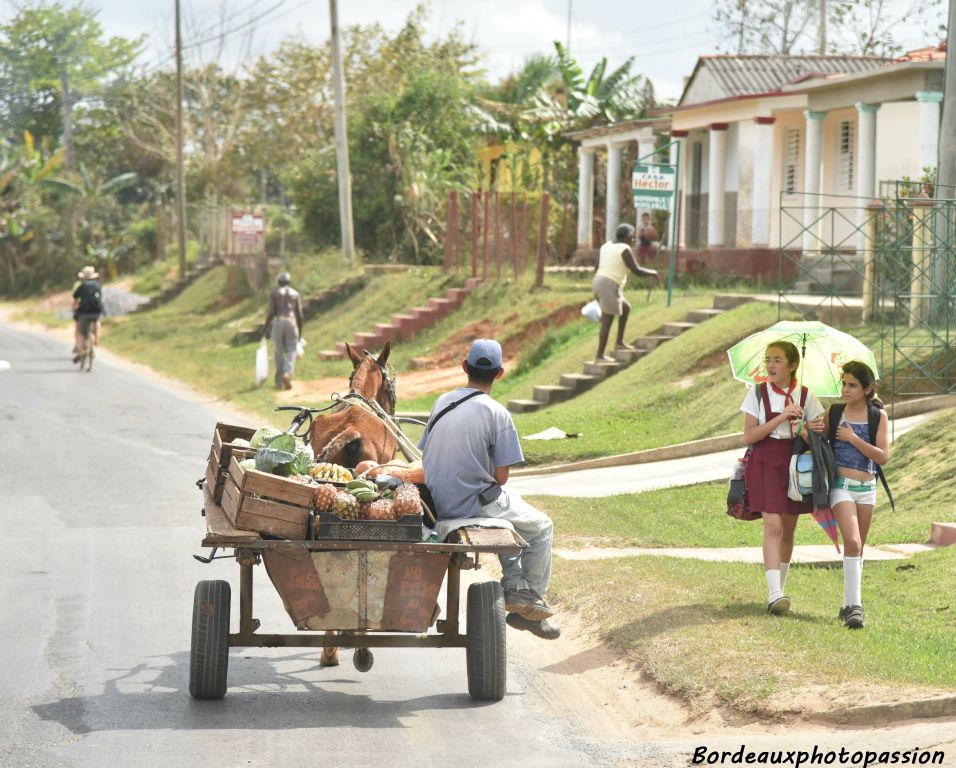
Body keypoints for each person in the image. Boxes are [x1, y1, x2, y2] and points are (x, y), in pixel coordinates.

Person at [418, 338, 560, 640]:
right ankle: (529, 599)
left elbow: (426, 454)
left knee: (508, 519)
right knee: (542, 526)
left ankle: (515, 585)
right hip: (472, 505)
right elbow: (502, 476)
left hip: (436, 502)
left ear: (464, 367)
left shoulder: (441, 402)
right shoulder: (497, 413)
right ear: (499, 374)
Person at [741, 341, 825, 615]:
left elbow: (820, 435)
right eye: (768, 360)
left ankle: (780, 592)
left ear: (791, 365)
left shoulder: (806, 396)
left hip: (796, 464)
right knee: (773, 525)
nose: (770, 365)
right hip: (766, 461)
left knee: (789, 527)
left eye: (777, 360)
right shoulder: (756, 393)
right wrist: (781, 417)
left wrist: (804, 430)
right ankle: (773, 593)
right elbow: (750, 436)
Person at [825, 361, 889, 630]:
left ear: (867, 388)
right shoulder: (835, 412)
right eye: (844, 384)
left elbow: (882, 457)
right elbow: (817, 440)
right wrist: (805, 428)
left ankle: (846, 604)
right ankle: (856, 608)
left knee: (858, 548)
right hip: (841, 486)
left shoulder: (878, 416)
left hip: (867, 490)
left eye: (852, 385)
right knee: (852, 543)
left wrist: (852, 438)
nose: (846, 390)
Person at [591, 223, 660, 363]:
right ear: (629, 237)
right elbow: (636, 270)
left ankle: (619, 343)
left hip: (598, 281)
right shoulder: (625, 248)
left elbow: (597, 267)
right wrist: (653, 273)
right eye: (633, 237)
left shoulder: (606, 246)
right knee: (607, 320)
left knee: (626, 307)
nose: (634, 240)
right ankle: (599, 356)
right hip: (608, 284)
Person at [263, 272, 304, 390]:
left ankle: (279, 381)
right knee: (292, 349)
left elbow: (271, 313)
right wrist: (299, 334)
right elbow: (300, 315)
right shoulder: (295, 294)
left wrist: (265, 328)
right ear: (289, 282)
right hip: (291, 322)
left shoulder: (274, 293)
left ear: (278, 282)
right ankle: (287, 373)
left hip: (278, 321)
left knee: (278, 351)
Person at [72, 265, 103, 363]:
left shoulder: (82, 287)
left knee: (81, 332)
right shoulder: (97, 286)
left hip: (84, 312)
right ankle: (97, 338)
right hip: (96, 311)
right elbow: (98, 297)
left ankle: (80, 351)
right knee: (97, 320)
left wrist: (74, 309)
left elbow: (76, 299)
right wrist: (95, 299)